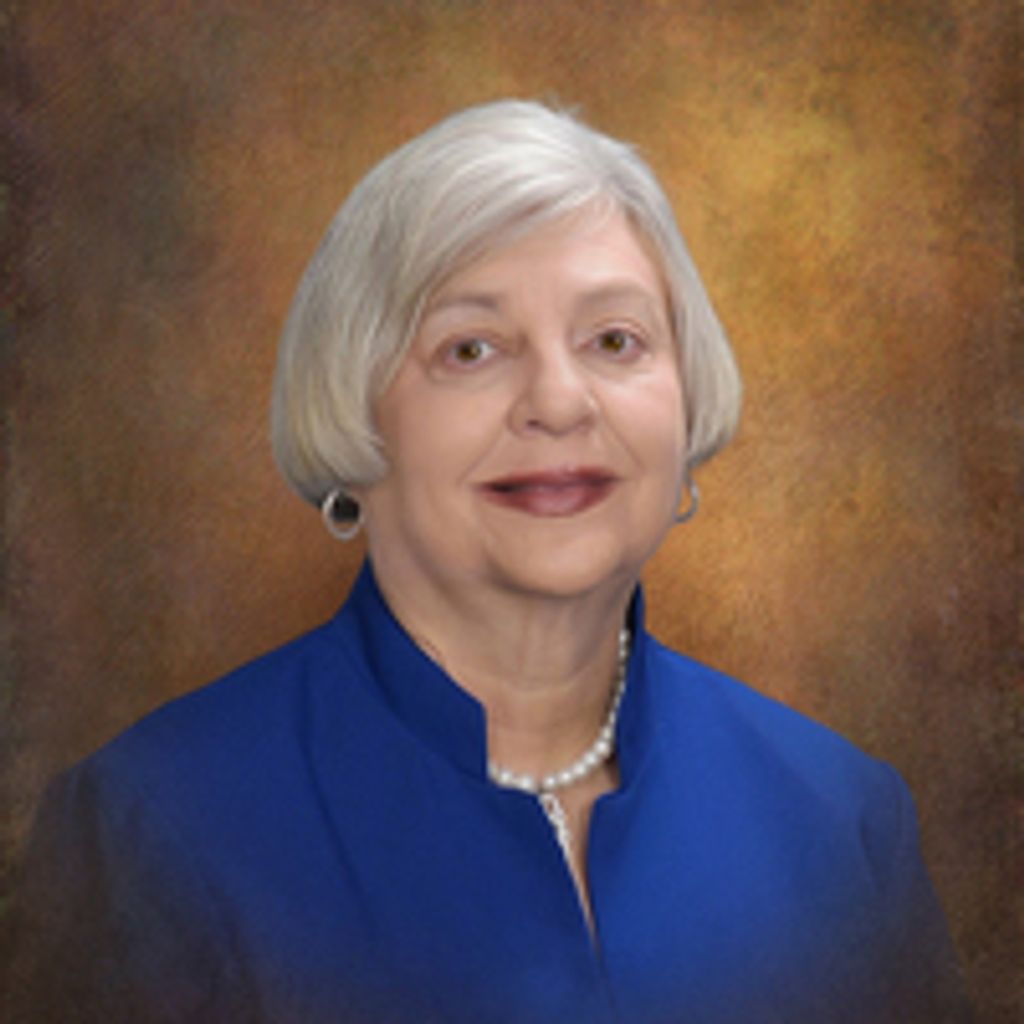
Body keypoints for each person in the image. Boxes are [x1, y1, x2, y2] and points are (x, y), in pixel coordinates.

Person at [12, 100, 969, 1023]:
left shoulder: (841, 822)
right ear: (354, 413)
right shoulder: (149, 832)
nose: (559, 401)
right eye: (471, 349)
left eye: (615, 340)